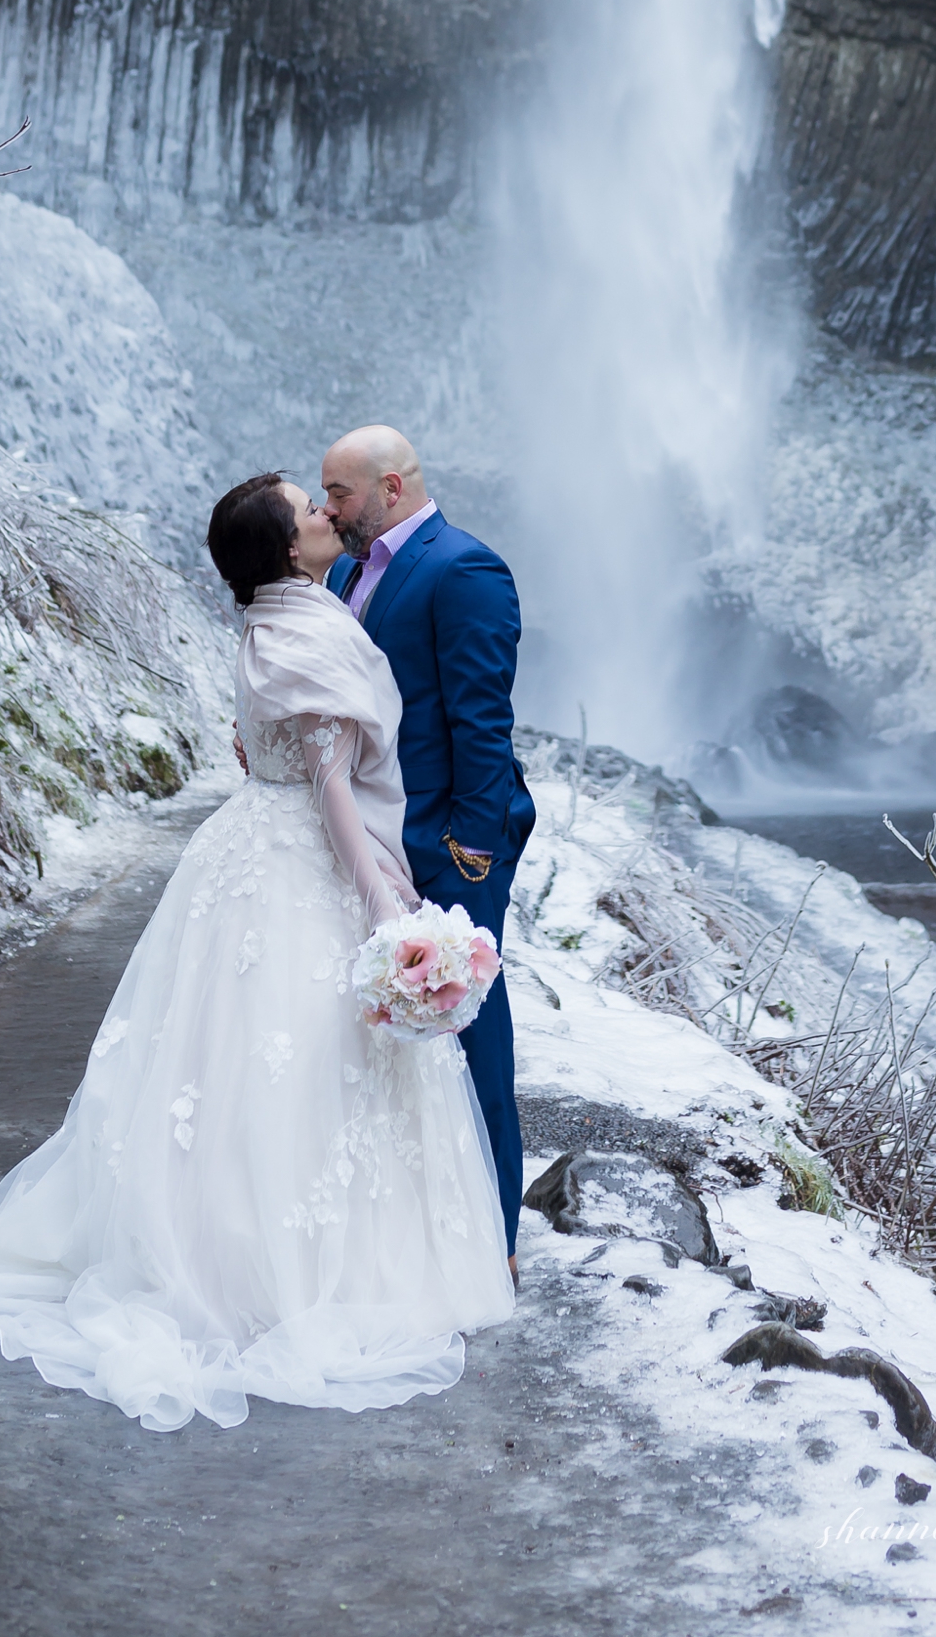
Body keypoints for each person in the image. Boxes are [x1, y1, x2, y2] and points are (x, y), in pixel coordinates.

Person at [0, 473, 513, 1431]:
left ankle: (251, 1244)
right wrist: (386, 897)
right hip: (299, 859)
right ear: (287, 548)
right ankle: (281, 1277)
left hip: (252, 851)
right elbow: (334, 788)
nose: (325, 515)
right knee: (297, 1063)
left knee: (237, 1065)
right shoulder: (301, 631)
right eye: (310, 511)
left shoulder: (277, 619)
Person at [319, 426, 536, 1264]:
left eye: (339, 494)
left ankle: (499, 1239)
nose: (328, 509)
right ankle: (417, 1227)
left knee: (472, 1027)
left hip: (449, 845)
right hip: (379, 840)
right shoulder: (345, 571)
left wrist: (469, 852)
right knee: (397, 1032)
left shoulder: (464, 569)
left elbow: (482, 722)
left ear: (392, 490)